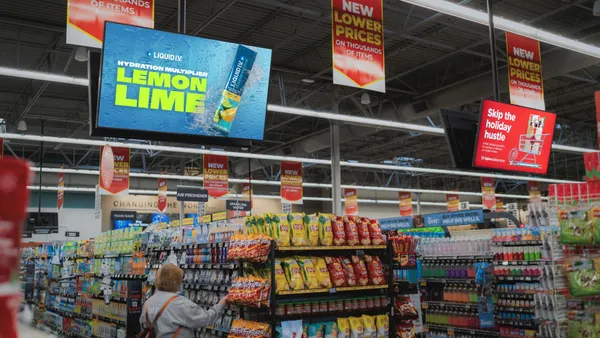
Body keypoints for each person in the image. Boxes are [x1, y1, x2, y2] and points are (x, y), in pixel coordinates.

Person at [139, 264, 227, 338]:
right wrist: (221, 304)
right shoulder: (180, 303)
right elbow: (205, 319)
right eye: (180, 279)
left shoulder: (148, 302)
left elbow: (144, 327)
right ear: (175, 282)